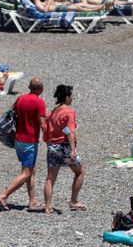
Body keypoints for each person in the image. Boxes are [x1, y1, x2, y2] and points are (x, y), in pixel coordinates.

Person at [0, 78, 47, 211]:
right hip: (29, 140)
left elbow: (15, 116)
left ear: (29, 87)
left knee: (30, 171)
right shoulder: (39, 102)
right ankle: (4, 195)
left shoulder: (20, 99)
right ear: (41, 89)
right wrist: (49, 138)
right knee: (26, 172)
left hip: (18, 139)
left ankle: (33, 201)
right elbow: (42, 124)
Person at [43, 84, 85, 214]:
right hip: (64, 146)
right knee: (79, 172)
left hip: (52, 146)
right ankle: (74, 201)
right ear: (66, 97)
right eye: (71, 96)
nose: (72, 98)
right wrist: (73, 150)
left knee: (50, 178)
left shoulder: (52, 112)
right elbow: (69, 131)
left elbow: (46, 130)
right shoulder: (69, 112)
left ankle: (48, 206)